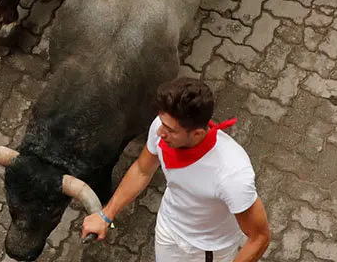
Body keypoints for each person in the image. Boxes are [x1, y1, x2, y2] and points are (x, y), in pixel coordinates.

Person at [81, 78, 271, 262]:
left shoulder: (231, 174)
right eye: (162, 124)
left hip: (204, 249)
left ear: (197, 133)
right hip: (168, 227)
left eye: (171, 130)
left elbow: (259, 238)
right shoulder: (163, 127)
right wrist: (106, 215)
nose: (159, 133)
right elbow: (142, 170)